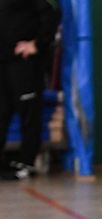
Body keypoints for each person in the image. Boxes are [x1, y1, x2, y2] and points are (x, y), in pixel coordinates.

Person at [0, 0, 61, 180]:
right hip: (2, 62)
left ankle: (26, 162)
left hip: (23, 62)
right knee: (1, 111)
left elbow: (51, 14)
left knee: (29, 111)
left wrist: (37, 43)